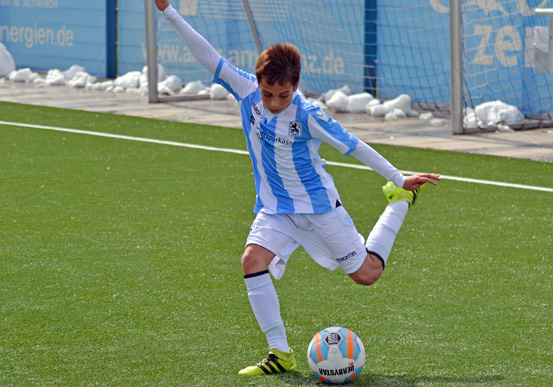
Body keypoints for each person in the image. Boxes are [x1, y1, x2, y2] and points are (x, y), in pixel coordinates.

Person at [154, 0, 441, 376]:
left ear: (295, 86)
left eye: (283, 95)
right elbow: (207, 54)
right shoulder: (246, 92)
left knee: (367, 274)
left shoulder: (308, 115)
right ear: (258, 83)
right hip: (276, 209)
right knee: (251, 261)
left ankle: (399, 201)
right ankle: (280, 353)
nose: (274, 103)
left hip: (320, 209)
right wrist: (168, 11)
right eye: (268, 93)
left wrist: (400, 177)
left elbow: (353, 145)